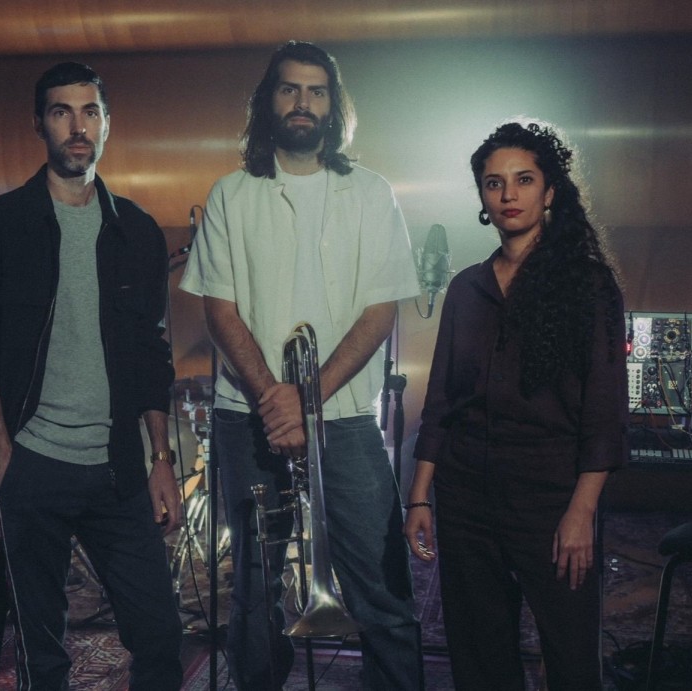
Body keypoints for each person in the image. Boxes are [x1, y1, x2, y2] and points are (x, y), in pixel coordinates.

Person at [181, 40, 424, 690]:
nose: (302, 102)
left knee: (382, 586)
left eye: (316, 91)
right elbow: (219, 310)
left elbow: (379, 312)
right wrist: (276, 399)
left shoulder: (371, 193)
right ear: (268, 101)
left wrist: (305, 398)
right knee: (253, 590)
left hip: (343, 417)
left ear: (332, 106)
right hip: (248, 417)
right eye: (289, 88)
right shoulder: (231, 194)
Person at [0, 62, 183, 690]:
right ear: (40, 124)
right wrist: (4, 460)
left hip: (117, 468)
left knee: (160, 636)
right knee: (42, 655)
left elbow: (151, 353)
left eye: (90, 112)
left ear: (107, 124)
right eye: (62, 112)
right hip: (33, 465)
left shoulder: (137, 232)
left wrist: (161, 459)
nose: (78, 127)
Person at [404, 119, 628, 691]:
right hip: (465, 495)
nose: (509, 194)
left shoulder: (589, 285)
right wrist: (420, 495)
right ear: (482, 197)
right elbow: (441, 400)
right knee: (479, 658)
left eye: (524, 179)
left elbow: (605, 413)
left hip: (551, 497)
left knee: (571, 659)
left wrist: (581, 513)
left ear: (549, 191)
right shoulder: (466, 288)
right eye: (494, 183)